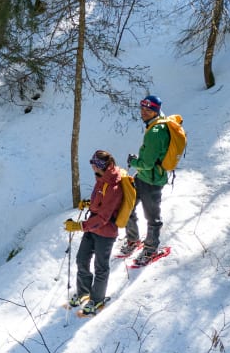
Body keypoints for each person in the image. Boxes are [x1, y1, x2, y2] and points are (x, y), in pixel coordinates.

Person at [64, 150, 123, 315]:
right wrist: (89, 204)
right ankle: (83, 291)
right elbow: (101, 203)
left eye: (93, 163)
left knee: (100, 267)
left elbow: (104, 217)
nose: (91, 165)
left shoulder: (114, 186)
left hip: (106, 231)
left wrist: (79, 226)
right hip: (93, 227)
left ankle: (97, 299)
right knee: (81, 259)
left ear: (100, 165)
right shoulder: (101, 178)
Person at [119, 94, 170, 265]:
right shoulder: (155, 125)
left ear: (156, 111)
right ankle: (133, 239)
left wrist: (134, 161)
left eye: (149, 110)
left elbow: (147, 164)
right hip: (142, 177)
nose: (144, 112)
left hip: (152, 181)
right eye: (142, 108)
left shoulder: (156, 131)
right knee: (127, 206)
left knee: (152, 217)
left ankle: (150, 250)